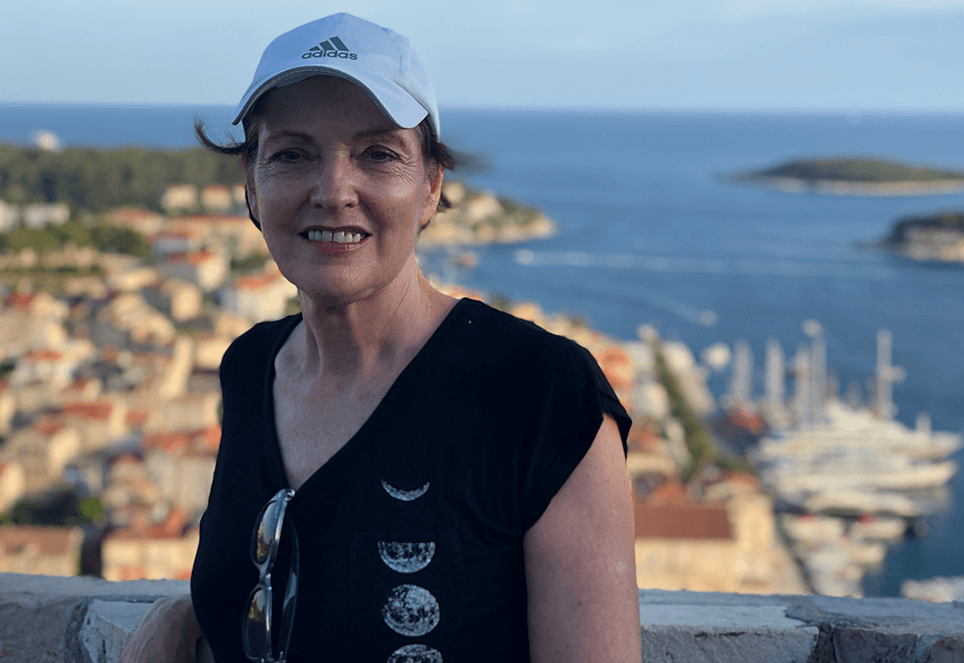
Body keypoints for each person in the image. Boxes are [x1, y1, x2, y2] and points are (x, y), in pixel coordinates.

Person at [121, 13, 641, 663]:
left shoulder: (542, 394)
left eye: (377, 154)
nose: (334, 190)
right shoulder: (249, 366)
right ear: (252, 186)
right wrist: (187, 614)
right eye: (291, 153)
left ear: (430, 186)